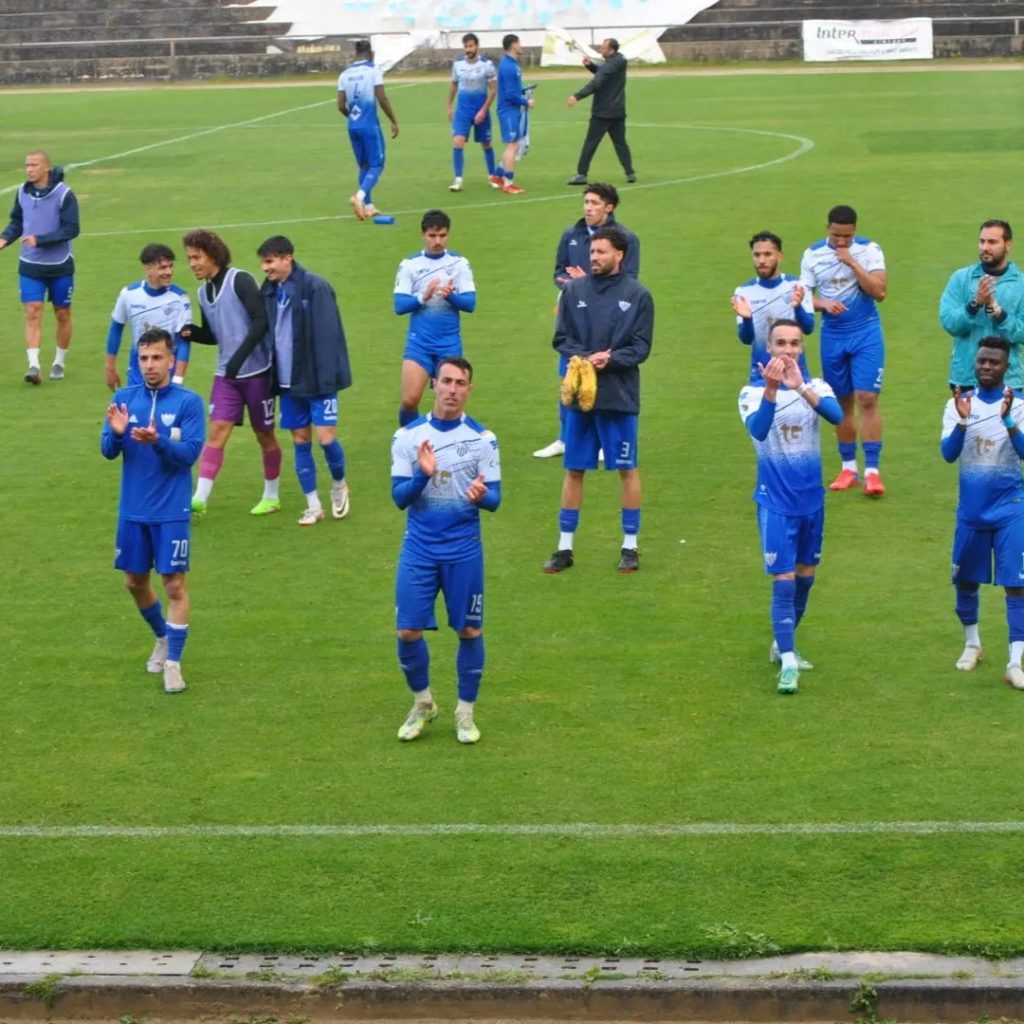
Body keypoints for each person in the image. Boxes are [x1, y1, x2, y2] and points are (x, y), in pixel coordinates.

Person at [390, 356, 501, 745]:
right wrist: (423, 474)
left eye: (461, 383)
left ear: (469, 389)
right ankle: (423, 704)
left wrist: (482, 496)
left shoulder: (483, 440)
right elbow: (399, 498)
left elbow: (496, 499)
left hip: (463, 550)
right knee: (407, 630)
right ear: (434, 384)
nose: (453, 389)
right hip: (419, 549)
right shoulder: (408, 437)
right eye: (447, 381)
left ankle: (465, 714)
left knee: (470, 629)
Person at [738, 319, 843, 695]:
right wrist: (771, 389)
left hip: (811, 502)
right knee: (783, 583)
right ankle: (787, 662)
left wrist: (799, 386)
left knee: (806, 579)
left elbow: (837, 417)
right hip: (776, 505)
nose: (787, 349)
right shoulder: (751, 393)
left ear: (802, 348)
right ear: (769, 348)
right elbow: (759, 430)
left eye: (794, 343)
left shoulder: (815, 387)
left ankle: (784, 642)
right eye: (780, 342)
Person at [100, 327, 205, 695]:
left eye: (157, 357)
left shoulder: (189, 402)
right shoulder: (125, 399)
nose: (150, 365)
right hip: (133, 510)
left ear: (171, 359)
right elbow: (107, 450)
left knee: (174, 585)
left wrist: (158, 441)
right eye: (144, 358)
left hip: (171, 511)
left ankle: (173, 665)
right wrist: (115, 433)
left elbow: (189, 454)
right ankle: (162, 635)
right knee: (133, 582)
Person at [543, 225, 653, 574]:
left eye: (602, 252)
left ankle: (630, 546)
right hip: (580, 399)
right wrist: (584, 358)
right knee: (574, 468)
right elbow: (561, 338)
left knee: (625, 468)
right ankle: (564, 547)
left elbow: (640, 347)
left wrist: (612, 358)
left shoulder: (638, 295)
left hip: (619, 397)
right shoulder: (573, 290)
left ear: (619, 254)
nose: (594, 257)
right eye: (592, 252)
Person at [180, 229, 282, 518]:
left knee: (265, 435)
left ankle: (271, 495)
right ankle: (199, 498)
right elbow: (214, 334)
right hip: (226, 375)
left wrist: (239, 358)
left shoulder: (240, 280)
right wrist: (192, 333)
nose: (193, 264)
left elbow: (261, 321)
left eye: (196, 257)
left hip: (258, 372)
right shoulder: (202, 292)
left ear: (213, 255)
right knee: (217, 432)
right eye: (189, 259)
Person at [941, 337, 1024, 691]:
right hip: (972, 511)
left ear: (1007, 367)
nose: (987, 367)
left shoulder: (1018, 406)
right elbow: (948, 454)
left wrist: (1007, 421)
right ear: (975, 364)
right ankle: (973, 643)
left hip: (1011, 509)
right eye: (982, 361)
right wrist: (961, 423)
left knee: (1017, 585)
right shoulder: (958, 404)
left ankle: (1014, 661)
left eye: (994, 362)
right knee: (966, 581)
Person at [535, 183, 640, 459]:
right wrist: (571, 284)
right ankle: (564, 438)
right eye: (586, 202)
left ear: (609, 207)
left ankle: (604, 441)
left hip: (607, 320)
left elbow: (630, 281)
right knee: (569, 375)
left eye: (594, 203)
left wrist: (588, 283)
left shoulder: (626, 238)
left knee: (603, 378)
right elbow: (558, 272)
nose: (588, 208)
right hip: (575, 316)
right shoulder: (571, 234)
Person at [257, 235, 353, 526]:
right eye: (263, 262)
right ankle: (313, 505)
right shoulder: (270, 292)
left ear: (288, 258)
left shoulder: (315, 287)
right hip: (288, 383)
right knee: (300, 440)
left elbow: (328, 336)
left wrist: (328, 381)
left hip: (318, 381)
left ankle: (339, 484)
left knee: (326, 439)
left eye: (270, 261)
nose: (265, 268)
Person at [800, 205, 888, 496]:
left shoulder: (869, 250)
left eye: (847, 237)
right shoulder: (812, 255)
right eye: (837, 236)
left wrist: (852, 262)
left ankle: (872, 472)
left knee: (867, 398)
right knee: (842, 401)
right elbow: (801, 298)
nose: (842, 242)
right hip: (833, 335)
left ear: (855, 230)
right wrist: (822, 304)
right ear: (827, 228)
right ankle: (849, 468)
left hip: (865, 331)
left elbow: (880, 291)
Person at [0, 150, 80, 384]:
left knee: (62, 313)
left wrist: (41, 240)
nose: (29, 169)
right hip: (30, 264)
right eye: (26, 165)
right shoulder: (22, 192)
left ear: (46, 167)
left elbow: (71, 229)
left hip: (60, 265)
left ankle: (59, 361)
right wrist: (5, 238)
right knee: (32, 312)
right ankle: (34, 366)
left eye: (34, 165)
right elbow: (17, 221)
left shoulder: (64, 194)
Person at [393, 209, 476, 426]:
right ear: (423, 235)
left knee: (449, 405)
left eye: (442, 235)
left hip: (449, 345)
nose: (437, 241)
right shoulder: (410, 265)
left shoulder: (459, 264)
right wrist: (422, 297)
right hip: (419, 344)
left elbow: (470, 303)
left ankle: (441, 451)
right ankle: (408, 444)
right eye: (432, 236)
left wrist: (452, 297)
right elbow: (399, 306)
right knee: (410, 401)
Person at [939, 220, 1024, 391]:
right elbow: (949, 322)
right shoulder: (961, 279)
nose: (985, 247)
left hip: (1009, 380)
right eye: (982, 241)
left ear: (1008, 245)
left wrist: (1001, 315)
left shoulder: (1021, 284)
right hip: (967, 379)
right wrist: (974, 304)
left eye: (992, 242)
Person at [105, 243, 192, 392]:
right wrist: (110, 368)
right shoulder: (129, 294)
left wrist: (178, 378)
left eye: (171, 266)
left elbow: (184, 340)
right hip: (137, 372)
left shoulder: (180, 299)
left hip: (168, 374)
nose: (169, 271)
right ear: (147, 269)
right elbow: (116, 328)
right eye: (163, 268)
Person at [731, 230, 814, 386]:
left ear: (779, 256)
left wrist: (797, 308)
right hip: (761, 375)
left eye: (768, 254)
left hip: (795, 374)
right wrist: (747, 319)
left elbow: (808, 328)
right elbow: (746, 339)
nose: (762, 260)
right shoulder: (744, 292)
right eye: (757, 255)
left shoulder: (798, 286)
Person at [338, 39, 399, 221]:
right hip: (369, 125)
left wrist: (352, 117)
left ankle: (369, 207)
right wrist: (393, 121)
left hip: (353, 125)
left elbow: (340, 105)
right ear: (370, 53)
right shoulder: (373, 71)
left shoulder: (344, 74)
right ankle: (360, 197)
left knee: (364, 165)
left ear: (355, 54)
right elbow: (382, 98)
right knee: (377, 164)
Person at [565, 38, 636, 187]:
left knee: (590, 144)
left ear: (611, 50)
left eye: (603, 48)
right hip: (618, 111)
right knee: (620, 143)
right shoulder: (620, 60)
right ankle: (630, 172)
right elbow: (604, 73)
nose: (600, 50)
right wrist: (591, 66)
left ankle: (581, 174)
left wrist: (577, 96)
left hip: (603, 113)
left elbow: (597, 82)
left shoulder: (610, 64)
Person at [447, 32, 497, 192]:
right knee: (458, 141)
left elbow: (493, 90)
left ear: (477, 46)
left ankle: (492, 176)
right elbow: (454, 85)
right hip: (463, 110)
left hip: (480, 109)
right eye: (466, 46)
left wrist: (483, 111)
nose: (468, 49)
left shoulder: (487, 65)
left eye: (471, 46)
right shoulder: (458, 64)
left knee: (486, 143)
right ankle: (458, 179)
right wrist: (449, 106)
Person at [491, 34, 534, 196]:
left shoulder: (512, 64)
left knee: (513, 144)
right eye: (519, 42)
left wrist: (525, 92)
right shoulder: (508, 66)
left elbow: (513, 89)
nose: (521, 46)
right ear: (513, 45)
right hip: (508, 110)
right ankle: (508, 182)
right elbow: (509, 94)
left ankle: (497, 175)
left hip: (512, 109)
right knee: (513, 145)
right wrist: (526, 101)